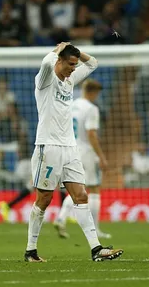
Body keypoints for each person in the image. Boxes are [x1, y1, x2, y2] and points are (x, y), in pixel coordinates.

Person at [24, 42, 123, 262]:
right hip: (47, 147)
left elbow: (93, 63)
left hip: (70, 148)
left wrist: (75, 50)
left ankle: (96, 249)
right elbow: (46, 63)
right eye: (70, 64)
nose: (73, 68)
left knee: (81, 195)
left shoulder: (69, 81)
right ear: (59, 60)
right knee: (45, 198)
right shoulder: (44, 81)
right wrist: (59, 48)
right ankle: (31, 250)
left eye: (75, 65)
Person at [54, 78, 111, 239]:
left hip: (69, 150)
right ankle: (96, 230)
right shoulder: (92, 109)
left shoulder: (70, 105)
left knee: (75, 189)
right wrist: (101, 156)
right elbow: (92, 134)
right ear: (93, 92)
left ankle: (61, 218)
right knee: (93, 189)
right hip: (86, 152)